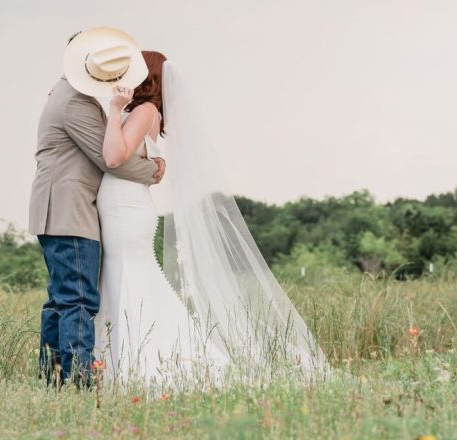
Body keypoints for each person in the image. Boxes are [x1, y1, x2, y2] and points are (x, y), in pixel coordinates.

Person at [90, 49, 331, 391]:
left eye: (132, 71)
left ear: (147, 77)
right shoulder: (148, 113)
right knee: (124, 277)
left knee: (126, 276)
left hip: (125, 211)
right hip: (127, 208)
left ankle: (139, 363)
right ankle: (119, 362)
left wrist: (114, 111)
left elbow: (113, 155)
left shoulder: (143, 112)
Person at [28, 27, 165, 387]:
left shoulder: (66, 94)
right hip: (70, 213)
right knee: (78, 300)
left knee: (61, 300)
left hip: (60, 211)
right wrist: (153, 170)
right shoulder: (75, 101)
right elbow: (112, 160)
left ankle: (53, 378)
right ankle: (77, 381)